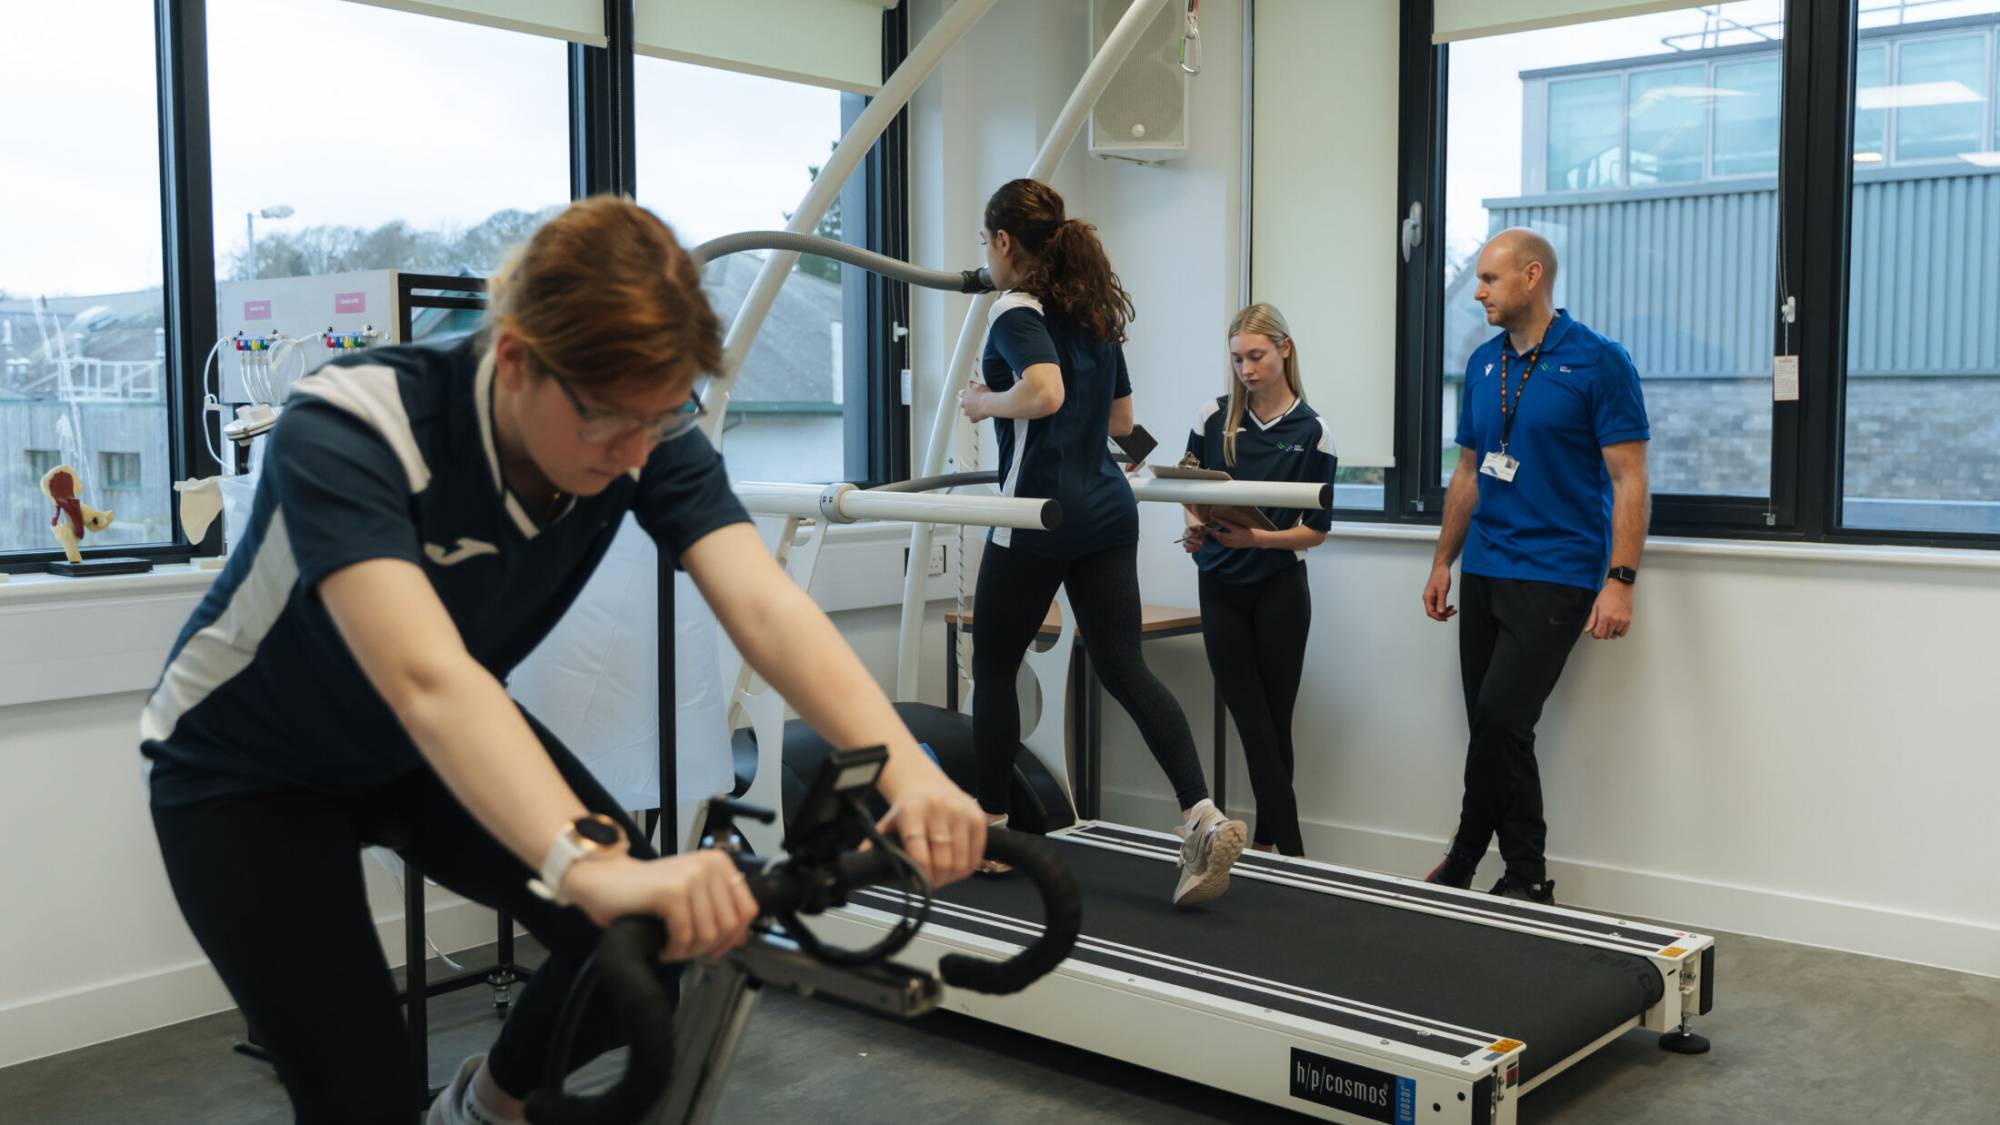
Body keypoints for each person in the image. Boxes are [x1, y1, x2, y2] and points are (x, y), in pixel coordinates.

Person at [140, 197, 987, 1125]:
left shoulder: (644, 428)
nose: (633, 457)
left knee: (639, 957)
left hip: (414, 749)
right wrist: (590, 865)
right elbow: (428, 678)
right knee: (362, 1096)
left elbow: (761, 601)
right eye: (608, 422)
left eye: (660, 421)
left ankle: (484, 1112)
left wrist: (910, 773)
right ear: (515, 361)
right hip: (247, 773)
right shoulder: (355, 425)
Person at [957, 178, 1245, 906]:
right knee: (1123, 666)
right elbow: (1122, 425)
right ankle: (1201, 817)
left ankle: (991, 832)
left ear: (1002, 243)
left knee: (991, 665)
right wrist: (1167, 469)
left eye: (984, 244)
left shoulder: (1015, 310)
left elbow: (1045, 393)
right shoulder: (1092, 314)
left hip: (1035, 518)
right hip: (1107, 512)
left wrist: (981, 402)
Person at [1420, 227, 1650, 906]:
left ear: (1531, 276)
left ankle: (1462, 858)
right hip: (1487, 567)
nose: (1479, 294)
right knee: (1501, 729)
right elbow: (1466, 472)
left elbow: (1629, 478)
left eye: (1489, 280)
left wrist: (1621, 579)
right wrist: (1442, 561)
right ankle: (1526, 876)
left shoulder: (1599, 361)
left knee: (1499, 720)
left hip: (1558, 574)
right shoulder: (1485, 363)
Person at [1180, 303, 1335, 858]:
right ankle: (1292, 853)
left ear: (1284, 349)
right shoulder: (1212, 417)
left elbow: (1314, 531)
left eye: (1256, 355)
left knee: (1274, 721)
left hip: (1279, 590)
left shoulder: (1313, 431)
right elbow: (1188, 492)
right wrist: (1196, 527)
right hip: (1220, 584)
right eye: (1237, 359)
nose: (1246, 368)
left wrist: (1259, 541)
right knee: (1252, 719)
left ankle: (1272, 842)